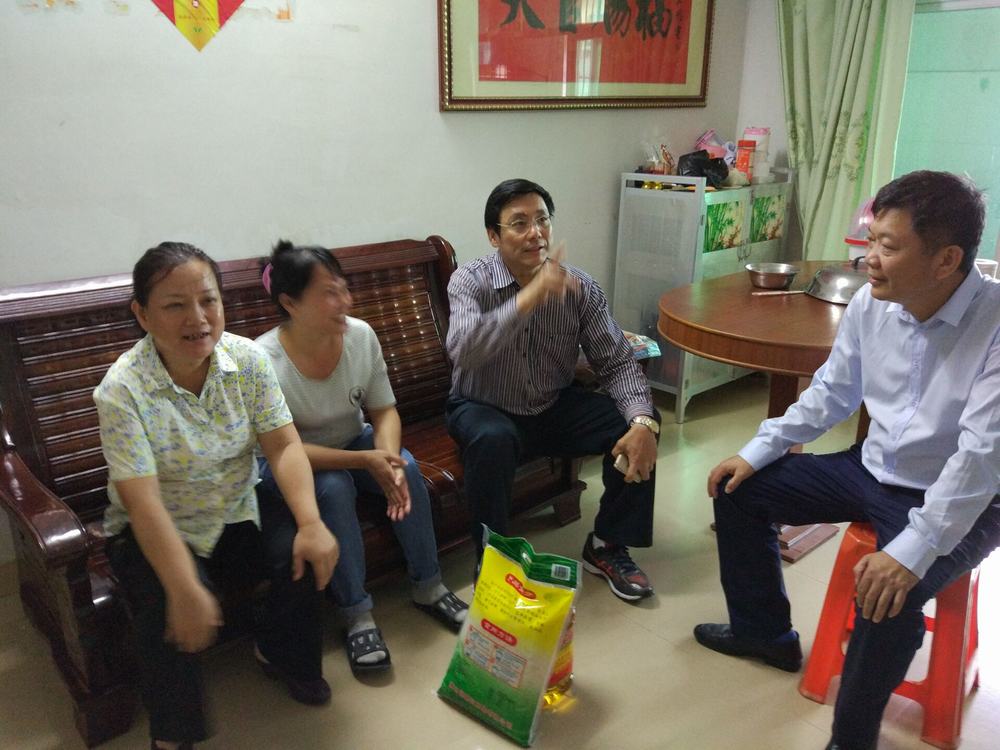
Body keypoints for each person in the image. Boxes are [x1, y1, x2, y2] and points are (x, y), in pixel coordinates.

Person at [694, 171, 1000, 750]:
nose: (869, 260)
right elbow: (832, 393)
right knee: (738, 489)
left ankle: (851, 740)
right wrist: (758, 450)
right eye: (871, 240)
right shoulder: (870, 304)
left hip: (969, 497)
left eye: (889, 246)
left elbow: (981, 456)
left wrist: (910, 552)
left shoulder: (996, 324)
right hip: (873, 467)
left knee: (889, 595)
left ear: (947, 260)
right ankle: (765, 634)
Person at [96, 243, 339, 750]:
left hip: (235, 505)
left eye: (208, 300)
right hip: (158, 525)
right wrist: (185, 584)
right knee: (163, 598)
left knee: (299, 548)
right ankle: (173, 734)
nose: (198, 318)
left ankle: (281, 654)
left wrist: (312, 522)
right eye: (175, 305)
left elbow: (283, 446)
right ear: (142, 314)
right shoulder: (122, 390)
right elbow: (143, 503)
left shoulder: (247, 360)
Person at [255, 241, 469, 677]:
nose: (345, 302)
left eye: (344, 289)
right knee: (334, 489)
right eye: (328, 293)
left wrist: (385, 459)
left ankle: (428, 585)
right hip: (293, 461)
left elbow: (384, 411)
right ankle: (357, 614)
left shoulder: (360, 335)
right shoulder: (263, 361)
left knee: (406, 466)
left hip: (354, 442)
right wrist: (364, 462)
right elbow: (283, 449)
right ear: (290, 303)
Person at [446, 178, 660, 602]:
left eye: (542, 220)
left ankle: (607, 544)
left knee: (637, 424)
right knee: (491, 439)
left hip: (550, 404)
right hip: (483, 405)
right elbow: (463, 352)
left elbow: (617, 362)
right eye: (519, 223)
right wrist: (529, 297)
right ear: (494, 236)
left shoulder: (579, 287)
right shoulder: (469, 281)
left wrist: (641, 420)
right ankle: (494, 560)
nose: (535, 233)